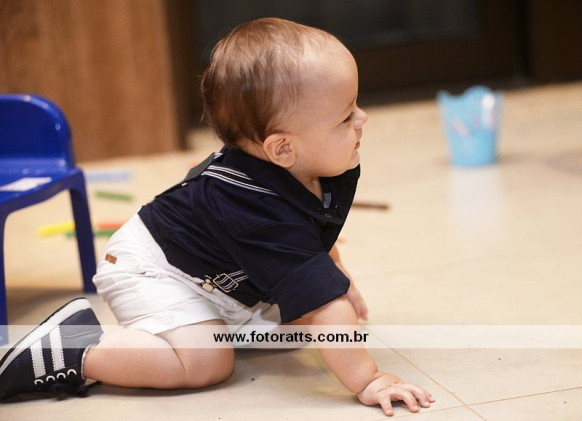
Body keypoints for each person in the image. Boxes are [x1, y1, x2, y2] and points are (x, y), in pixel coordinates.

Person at [0, 17, 434, 416]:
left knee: (303, 330)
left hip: (218, 279)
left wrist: (337, 275)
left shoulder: (322, 167)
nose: (362, 118)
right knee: (206, 362)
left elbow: (311, 236)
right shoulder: (256, 207)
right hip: (155, 269)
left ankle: (212, 324)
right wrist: (369, 379)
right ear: (283, 148)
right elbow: (319, 296)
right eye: (345, 116)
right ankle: (73, 346)